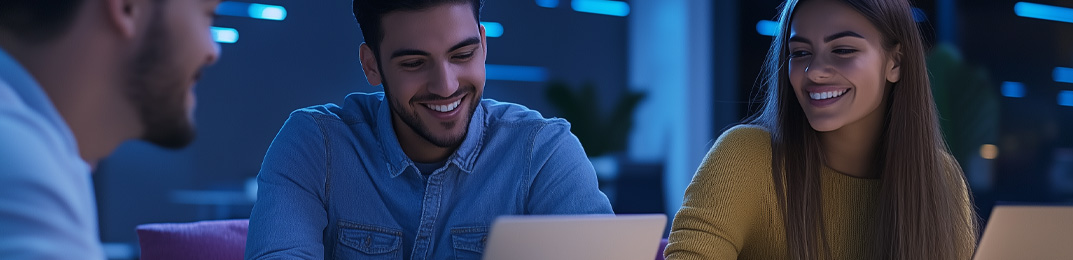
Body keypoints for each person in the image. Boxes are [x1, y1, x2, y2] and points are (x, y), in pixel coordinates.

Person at [244, 0, 614, 259]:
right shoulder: (315, 146)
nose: (446, 85)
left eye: (462, 55)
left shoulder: (543, 151)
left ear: (483, 46)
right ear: (371, 66)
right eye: (415, 63)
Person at [664, 0, 977, 259]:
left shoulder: (942, 178)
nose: (814, 72)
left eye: (842, 50)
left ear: (895, 62)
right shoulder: (746, 157)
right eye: (800, 53)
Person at [0, 0, 221, 258]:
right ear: (128, 7)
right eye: (208, 15)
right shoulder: (19, 167)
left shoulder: (44, 152)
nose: (213, 51)